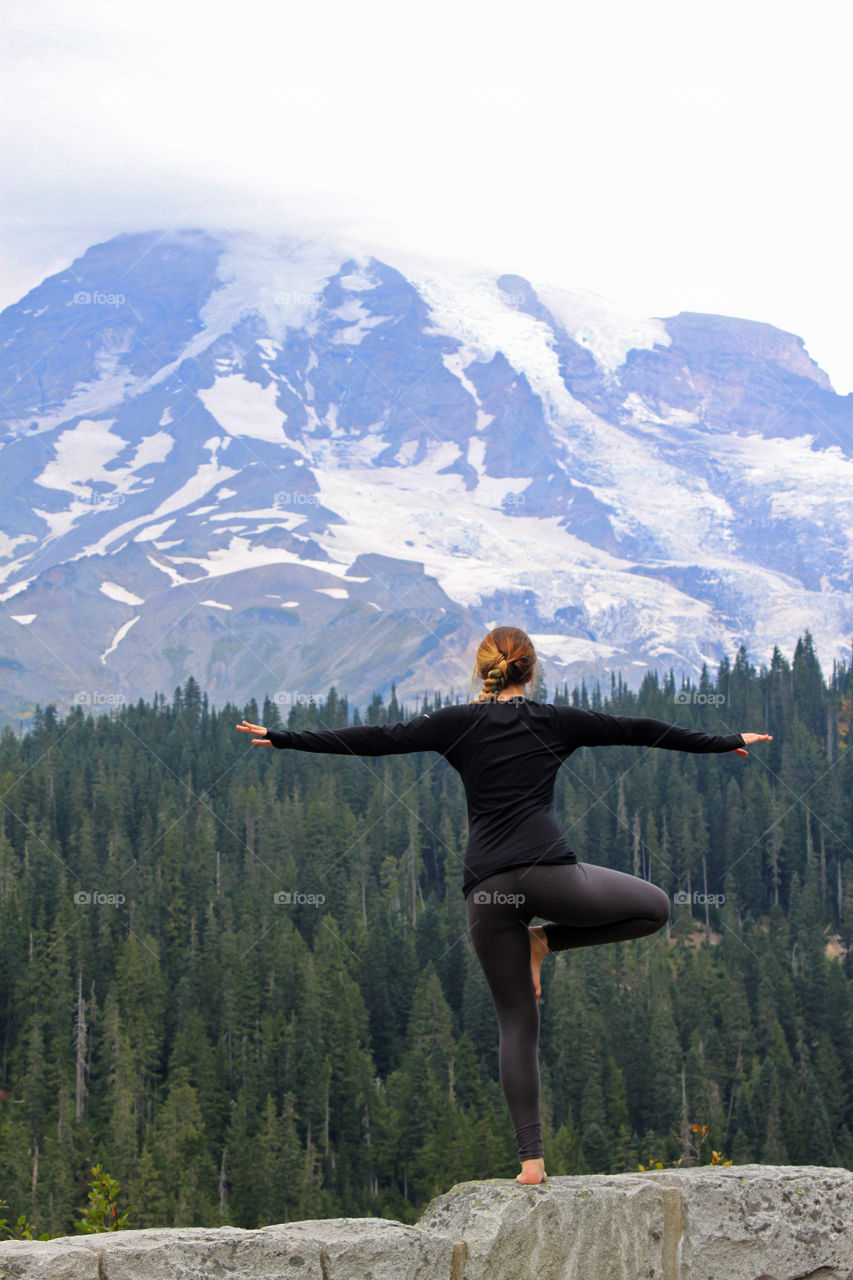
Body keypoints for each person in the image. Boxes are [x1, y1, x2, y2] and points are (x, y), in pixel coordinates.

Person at [237, 625, 771, 1186]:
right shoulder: (555, 720)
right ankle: (548, 939)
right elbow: (639, 729)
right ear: (531, 671)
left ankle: (531, 1165)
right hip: (551, 876)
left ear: (485, 669)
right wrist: (720, 740)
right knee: (655, 908)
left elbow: (376, 738)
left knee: (516, 1024)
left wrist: (285, 736)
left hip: (487, 890)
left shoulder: (456, 723)